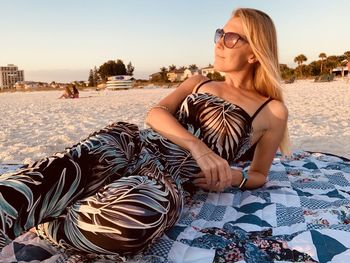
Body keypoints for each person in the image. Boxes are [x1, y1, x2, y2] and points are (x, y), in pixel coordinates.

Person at [0, 8, 289, 259]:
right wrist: (198, 147)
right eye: (219, 34)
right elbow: (155, 114)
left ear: (254, 52)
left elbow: (259, 174)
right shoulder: (200, 81)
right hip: (133, 144)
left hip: (169, 179)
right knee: (57, 173)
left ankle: (47, 220)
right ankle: (36, 205)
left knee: (134, 221)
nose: (219, 44)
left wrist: (233, 176)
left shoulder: (271, 110)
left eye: (230, 38)